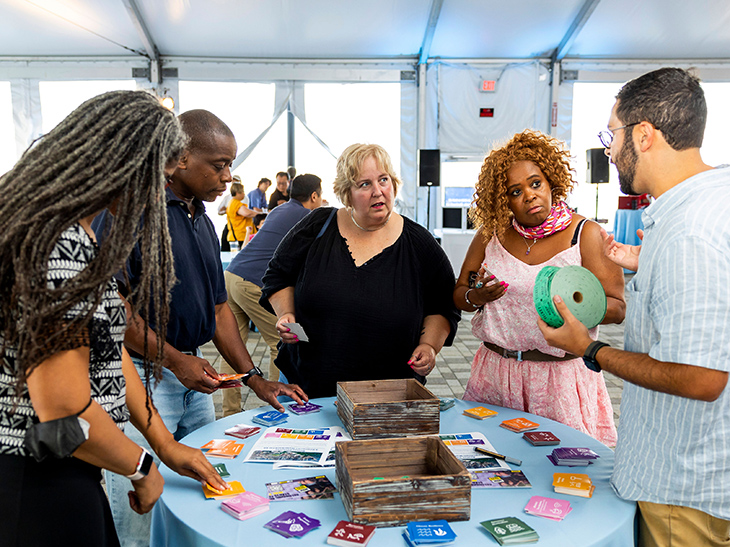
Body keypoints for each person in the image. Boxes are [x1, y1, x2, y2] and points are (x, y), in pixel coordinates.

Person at [0, 91, 228, 546]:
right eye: (154, 175)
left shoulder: (79, 233)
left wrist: (162, 442)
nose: (155, 190)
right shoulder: (58, 246)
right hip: (39, 477)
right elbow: (61, 409)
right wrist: (140, 466)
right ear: (117, 163)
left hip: (68, 467)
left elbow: (110, 349)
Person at [93, 109, 307, 546]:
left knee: (208, 493)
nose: (228, 176)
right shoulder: (128, 212)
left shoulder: (202, 220)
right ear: (180, 158)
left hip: (194, 378)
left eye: (230, 164)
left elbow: (219, 309)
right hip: (142, 379)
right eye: (218, 164)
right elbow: (111, 309)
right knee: (141, 509)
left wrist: (253, 378)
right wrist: (174, 360)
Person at [539, 68, 730, 547]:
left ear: (643, 135)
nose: (608, 147)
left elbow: (701, 378)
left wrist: (590, 350)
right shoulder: (709, 205)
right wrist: (650, 263)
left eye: (612, 133)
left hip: (686, 492)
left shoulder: (689, 233)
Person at [453, 129, 625, 447]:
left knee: (567, 473)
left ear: (551, 181)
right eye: (515, 191)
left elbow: (617, 306)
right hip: (496, 374)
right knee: (490, 466)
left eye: (535, 183)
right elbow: (459, 293)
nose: (529, 195)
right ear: (503, 199)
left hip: (560, 378)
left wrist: (577, 307)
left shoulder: (586, 234)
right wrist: (476, 296)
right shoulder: (491, 235)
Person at [261, 144, 461, 398]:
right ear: (347, 193)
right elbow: (278, 275)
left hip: (386, 397)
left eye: (383, 180)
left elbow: (444, 304)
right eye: (364, 184)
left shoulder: (419, 243)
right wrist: (286, 313)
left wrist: (429, 346)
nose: (378, 191)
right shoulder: (318, 226)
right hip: (306, 388)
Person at [222, 174, 323, 415]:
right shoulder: (309, 217)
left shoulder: (279, 210)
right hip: (254, 283)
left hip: (232, 276)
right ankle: (279, 410)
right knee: (285, 342)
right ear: (314, 196)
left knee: (232, 348)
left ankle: (230, 413)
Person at [218, 174, 247, 251]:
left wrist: (230, 209)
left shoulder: (244, 197)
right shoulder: (227, 197)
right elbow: (219, 211)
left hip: (240, 227)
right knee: (225, 243)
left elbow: (243, 212)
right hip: (230, 224)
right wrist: (229, 209)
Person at [226, 180, 256, 248]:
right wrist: (261, 214)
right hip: (239, 236)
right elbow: (247, 213)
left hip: (240, 236)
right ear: (237, 193)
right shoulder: (235, 203)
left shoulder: (233, 202)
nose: (244, 194)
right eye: (242, 192)